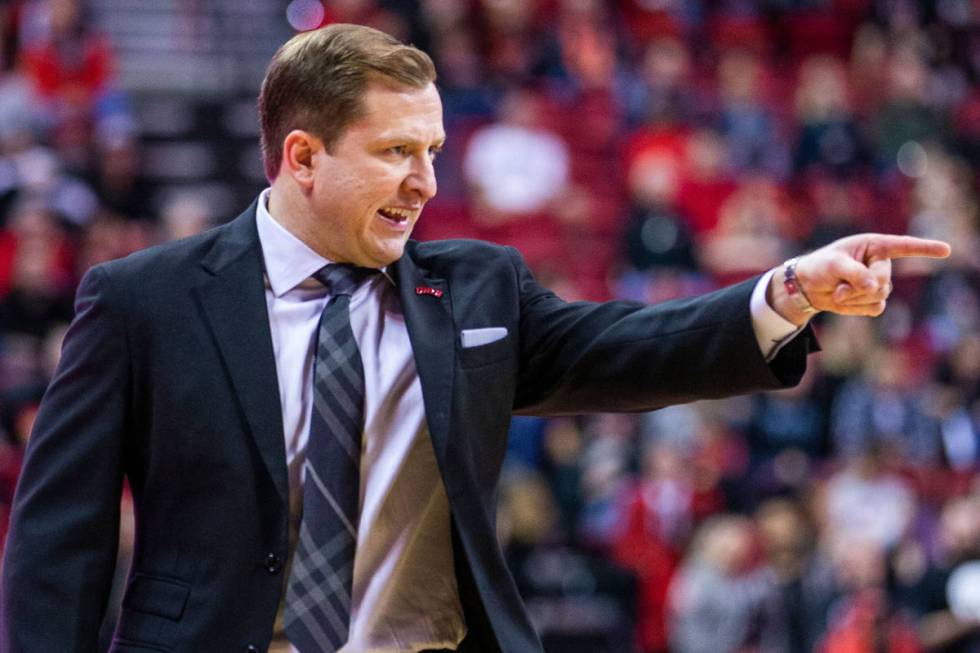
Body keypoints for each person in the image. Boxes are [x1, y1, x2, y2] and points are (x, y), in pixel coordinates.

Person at [0, 23, 951, 653]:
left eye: (434, 152)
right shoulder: (142, 301)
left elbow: (631, 346)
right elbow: (59, 539)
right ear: (302, 157)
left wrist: (786, 290)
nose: (425, 182)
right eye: (395, 152)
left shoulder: (476, 286)